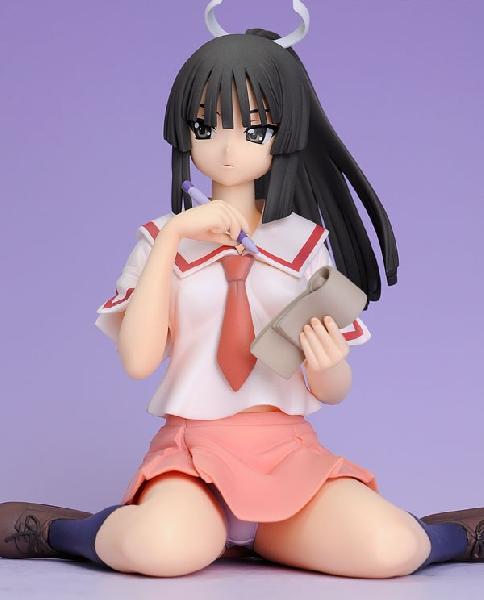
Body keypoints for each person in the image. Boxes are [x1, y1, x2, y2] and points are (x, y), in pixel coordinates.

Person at [1, 2, 483, 579]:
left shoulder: (303, 243)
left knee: (393, 550)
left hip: (287, 455)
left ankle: (453, 535)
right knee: (161, 550)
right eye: (206, 127)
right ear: (183, 129)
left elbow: (332, 390)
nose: (228, 150)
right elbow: (138, 361)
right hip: (192, 458)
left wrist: (328, 364)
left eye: (254, 129)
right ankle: (59, 530)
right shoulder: (161, 239)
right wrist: (175, 235)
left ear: (285, 134)